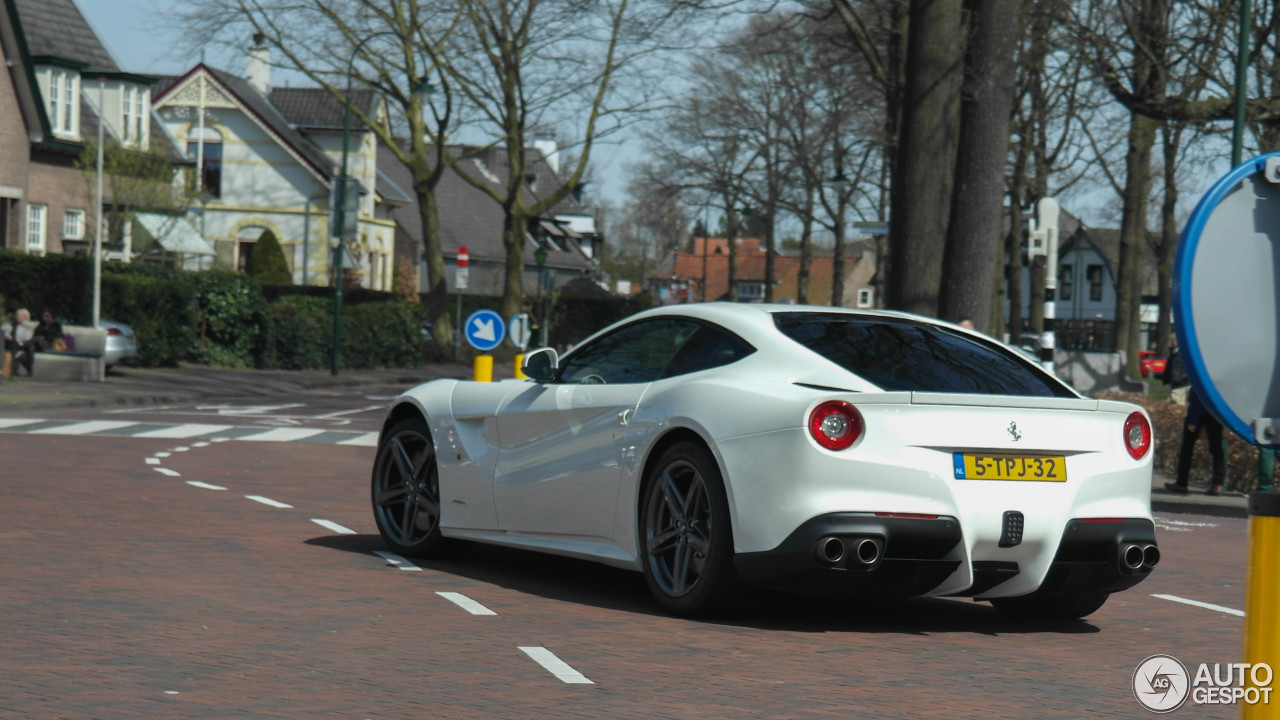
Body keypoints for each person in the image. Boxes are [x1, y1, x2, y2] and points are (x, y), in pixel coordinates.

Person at [1164, 388, 1229, 496]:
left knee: (1187, 448)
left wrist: (1192, 419)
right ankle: (1217, 483)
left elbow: (1198, 391)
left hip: (1199, 410)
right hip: (1215, 412)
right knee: (1216, 448)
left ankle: (1182, 483)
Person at [4, 308, 35, 377]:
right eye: (16, 315)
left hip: (20, 345)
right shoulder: (11, 325)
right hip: (9, 344)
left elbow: (26, 337)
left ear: (25, 317)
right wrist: (6, 335)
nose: (16, 317)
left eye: (18, 315)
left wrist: (13, 338)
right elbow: (3, 330)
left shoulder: (28, 327)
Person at [1162, 335, 1190, 405]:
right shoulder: (1173, 353)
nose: (1172, 343)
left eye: (1174, 341)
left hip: (1180, 383)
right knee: (1170, 403)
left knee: (1177, 403)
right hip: (1175, 382)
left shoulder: (1182, 354)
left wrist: (1180, 379)